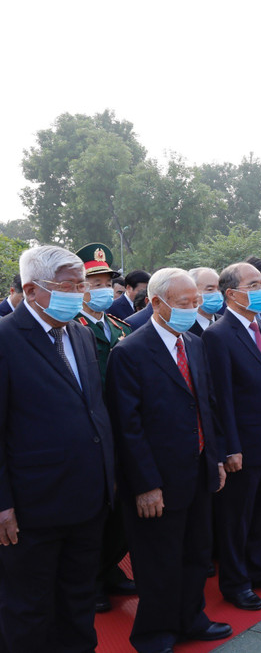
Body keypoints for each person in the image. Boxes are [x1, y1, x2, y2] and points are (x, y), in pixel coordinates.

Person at [105, 267, 232, 651]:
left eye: (196, 302)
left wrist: (216, 459)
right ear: (156, 303)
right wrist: (146, 485)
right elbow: (127, 428)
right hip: (157, 479)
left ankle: (191, 618)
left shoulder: (193, 343)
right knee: (158, 560)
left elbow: (207, 405)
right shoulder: (129, 352)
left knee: (196, 553)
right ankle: (154, 632)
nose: (192, 309)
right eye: (184, 303)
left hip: (197, 470)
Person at [0, 246, 115, 652]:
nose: (80, 294)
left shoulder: (79, 333)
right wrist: (2, 504)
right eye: (69, 286)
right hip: (32, 506)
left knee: (78, 600)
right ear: (32, 290)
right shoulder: (5, 339)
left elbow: (93, 409)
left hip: (87, 498)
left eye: (82, 285)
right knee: (28, 609)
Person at [203, 263, 261, 611]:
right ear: (231, 294)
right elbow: (221, 397)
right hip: (242, 445)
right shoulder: (218, 335)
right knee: (235, 520)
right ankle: (235, 582)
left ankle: (258, 569)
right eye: (252, 285)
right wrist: (230, 447)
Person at [73, 243, 135, 613]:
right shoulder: (73, 329)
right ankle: (91, 579)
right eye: (93, 283)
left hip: (124, 430)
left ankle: (110, 567)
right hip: (93, 435)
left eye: (106, 283)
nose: (102, 289)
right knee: (95, 510)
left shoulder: (119, 326)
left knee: (122, 509)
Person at [190, 267, 222, 335]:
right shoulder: (183, 327)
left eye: (219, 289)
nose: (217, 293)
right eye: (210, 289)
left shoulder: (227, 324)